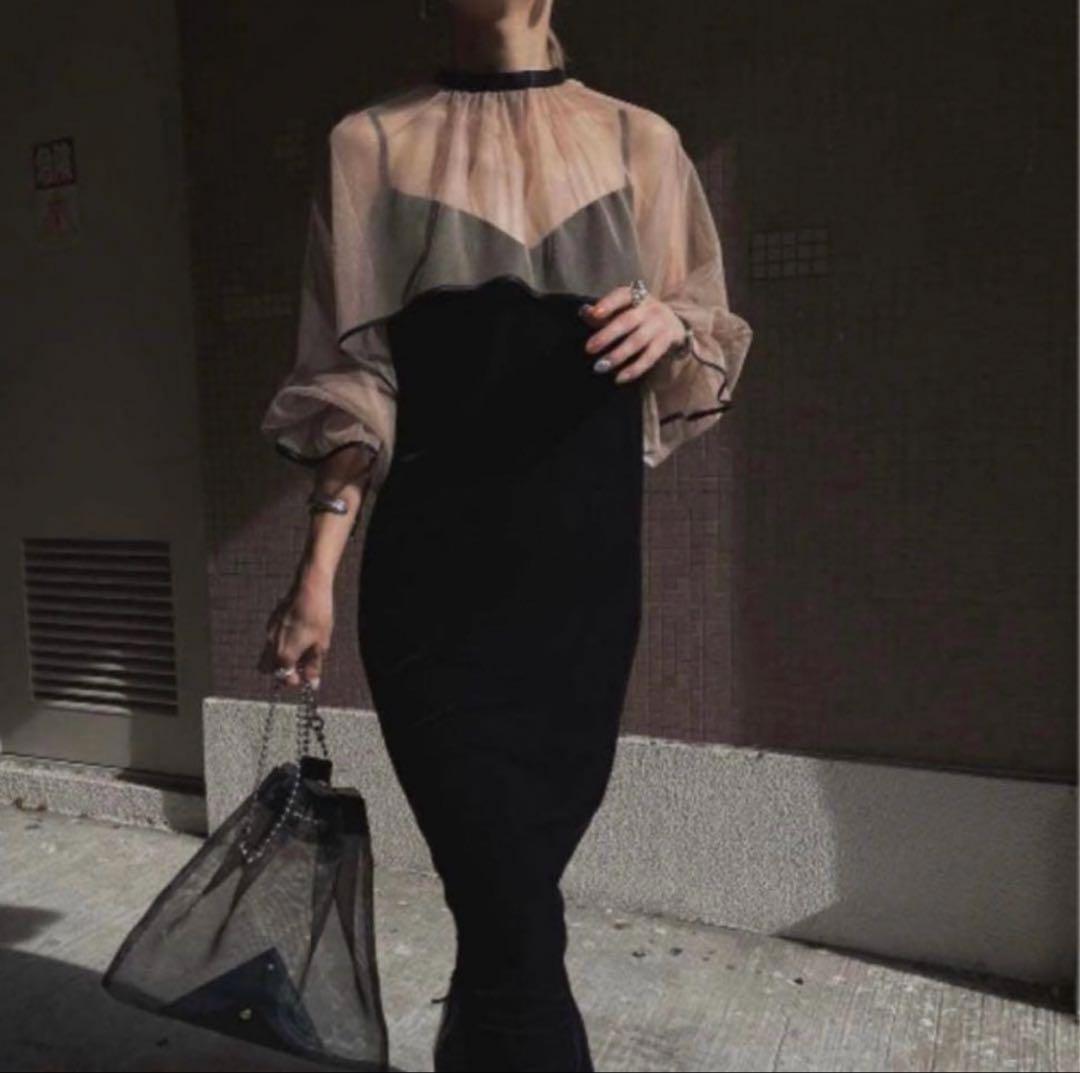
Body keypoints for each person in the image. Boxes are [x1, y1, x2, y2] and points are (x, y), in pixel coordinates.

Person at [257, 1, 753, 1069]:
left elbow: (704, 327)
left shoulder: (641, 142)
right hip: (433, 591)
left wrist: (672, 319)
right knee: (509, 907)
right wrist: (315, 578)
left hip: (582, 593)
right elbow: (353, 385)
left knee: (510, 908)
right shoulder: (368, 145)